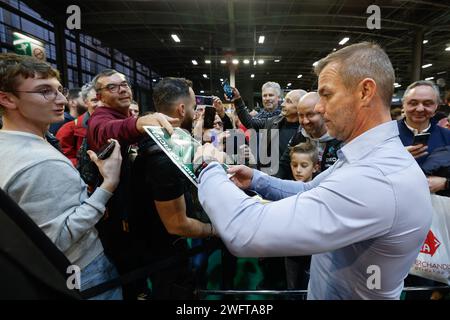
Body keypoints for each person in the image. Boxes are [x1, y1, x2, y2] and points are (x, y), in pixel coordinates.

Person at [195, 42, 433, 299]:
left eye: (327, 94)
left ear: (365, 92)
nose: (318, 107)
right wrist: (256, 179)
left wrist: (208, 167)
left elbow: (245, 230)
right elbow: (310, 190)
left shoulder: (375, 177)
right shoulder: (364, 158)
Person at [0, 53, 123, 299]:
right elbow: (60, 237)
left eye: (59, 90)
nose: (61, 100)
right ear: (7, 98)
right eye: (44, 91)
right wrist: (108, 184)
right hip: (82, 269)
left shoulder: (15, 144)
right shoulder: (38, 161)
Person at [132, 77, 217, 299]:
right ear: (181, 110)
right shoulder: (162, 154)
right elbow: (177, 224)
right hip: (166, 253)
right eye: (193, 108)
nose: (196, 113)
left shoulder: (167, 140)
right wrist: (214, 231)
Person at [398, 80, 450, 196]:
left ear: (436, 106)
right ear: (403, 104)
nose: (420, 109)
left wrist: (445, 183)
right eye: (413, 103)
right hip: (393, 206)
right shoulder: (386, 135)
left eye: (427, 103)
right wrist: (395, 157)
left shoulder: (447, 137)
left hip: (438, 209)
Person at [276, 92, 342, 180]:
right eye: (301, 115)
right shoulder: (299, 136)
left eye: (310, 115)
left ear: (324, 112)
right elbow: (284, 164)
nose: (305, 121)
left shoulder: (340, 139)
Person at [56, 82, 102, 167]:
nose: (100, 104)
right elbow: (65, 162)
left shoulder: (120, 123)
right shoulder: (68, 129)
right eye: (95, 100)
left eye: (103, 100)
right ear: (85, 102)